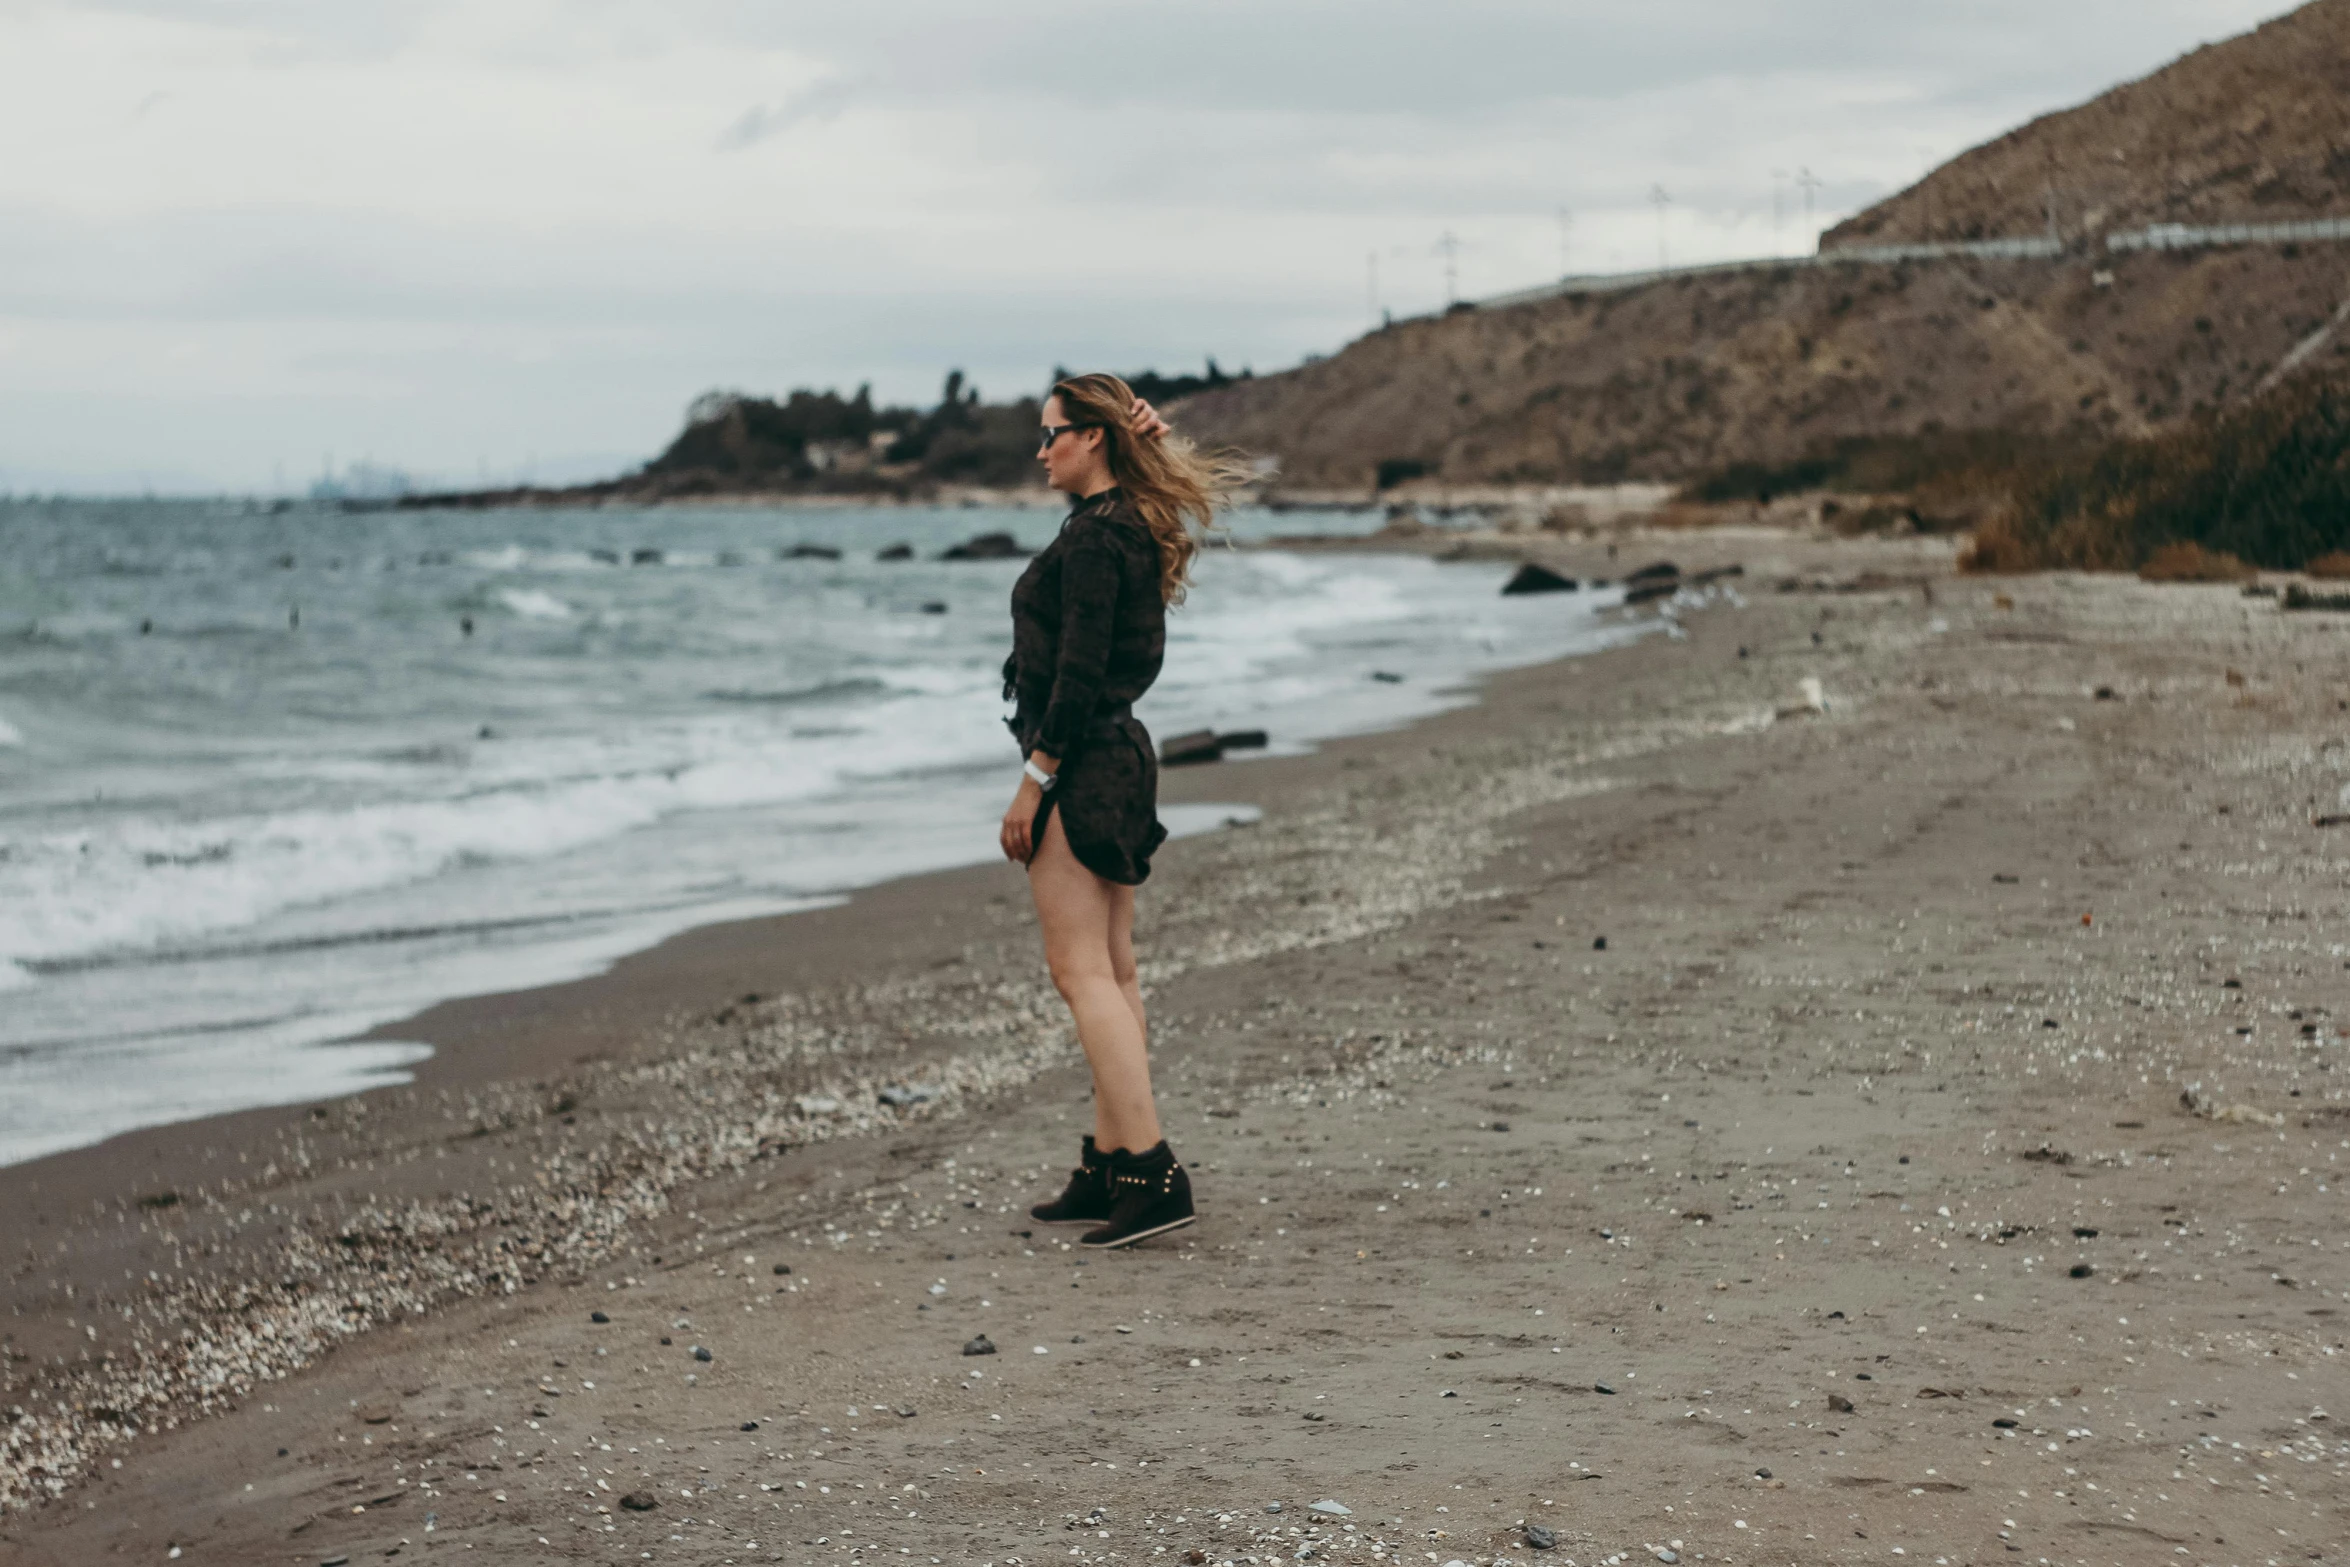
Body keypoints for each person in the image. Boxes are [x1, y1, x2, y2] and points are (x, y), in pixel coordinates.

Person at [999, 372, 1250, 1248]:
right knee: (1113, 966)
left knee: (1081, 972)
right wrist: (1156, 439)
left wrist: (1036, 779)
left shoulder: (1101, 541)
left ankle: (1150, 1165)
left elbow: (1075, 672)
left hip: (1088, 762)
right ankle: (1112, 1164)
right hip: (1120, 758)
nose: (1042, 449)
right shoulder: (1124, 524)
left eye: (1052, 433)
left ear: (1093, 438)